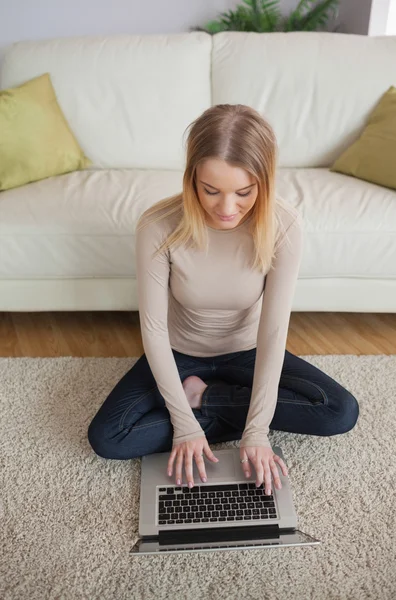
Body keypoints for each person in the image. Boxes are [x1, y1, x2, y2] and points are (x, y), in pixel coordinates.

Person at [87, 104, 359, 495]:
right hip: (180, 352)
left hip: (245, 350)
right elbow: (153, 329)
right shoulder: (157, 225)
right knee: (108, 438)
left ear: (263, 183)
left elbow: (273, 331)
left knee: (339, 411)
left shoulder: (284, 225)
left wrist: (258, 432)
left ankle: (206, 397)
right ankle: (202, 406)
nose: (226, 208)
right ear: (191, 178)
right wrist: (183, 426)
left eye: (243, 192)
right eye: (210, 190)